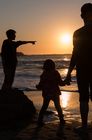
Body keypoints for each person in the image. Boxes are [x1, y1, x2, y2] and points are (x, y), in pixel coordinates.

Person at [64, 3, 92, 132]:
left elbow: (75, 55)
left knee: (84, 97)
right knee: (85, 97)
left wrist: (69, 72)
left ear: (83, 15)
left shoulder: (78, 32)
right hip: (84, 69)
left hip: (83, 69)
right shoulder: (78, 32)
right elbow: (75, 54)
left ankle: (85, 126)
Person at [36, 59, 65, 126]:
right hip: (55, 92)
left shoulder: (43, 74)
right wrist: (65, 82)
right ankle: (61, 120)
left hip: (46, 93)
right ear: (53, 66)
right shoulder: (55, 73)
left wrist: (38, 86)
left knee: (44, 107)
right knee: (58, 106)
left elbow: (41, 84)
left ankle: (39, 120)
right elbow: (60, 83)